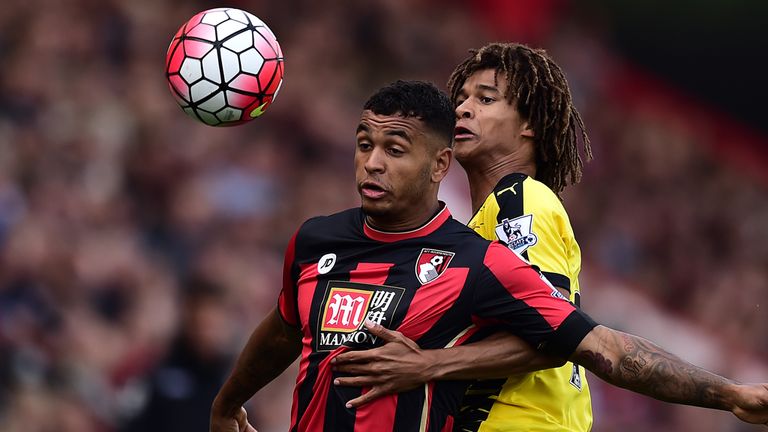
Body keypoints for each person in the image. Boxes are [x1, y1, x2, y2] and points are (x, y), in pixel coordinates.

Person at [210, 80, 768, 432]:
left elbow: (604, 350)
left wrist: (730, 393)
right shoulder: (314, 243)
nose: (372, 163)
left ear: (439, 165)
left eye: (394, 149)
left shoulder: (476, 263)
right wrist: (228, 402)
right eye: (364, 145)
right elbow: (285, 328)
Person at [334, 42, 596, 431]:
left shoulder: (519, 199)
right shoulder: (482, 224)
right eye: (462, 98)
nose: (462, 108)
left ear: (530, 126)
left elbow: (552, 335)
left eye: (486, 99)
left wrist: (426, 364)